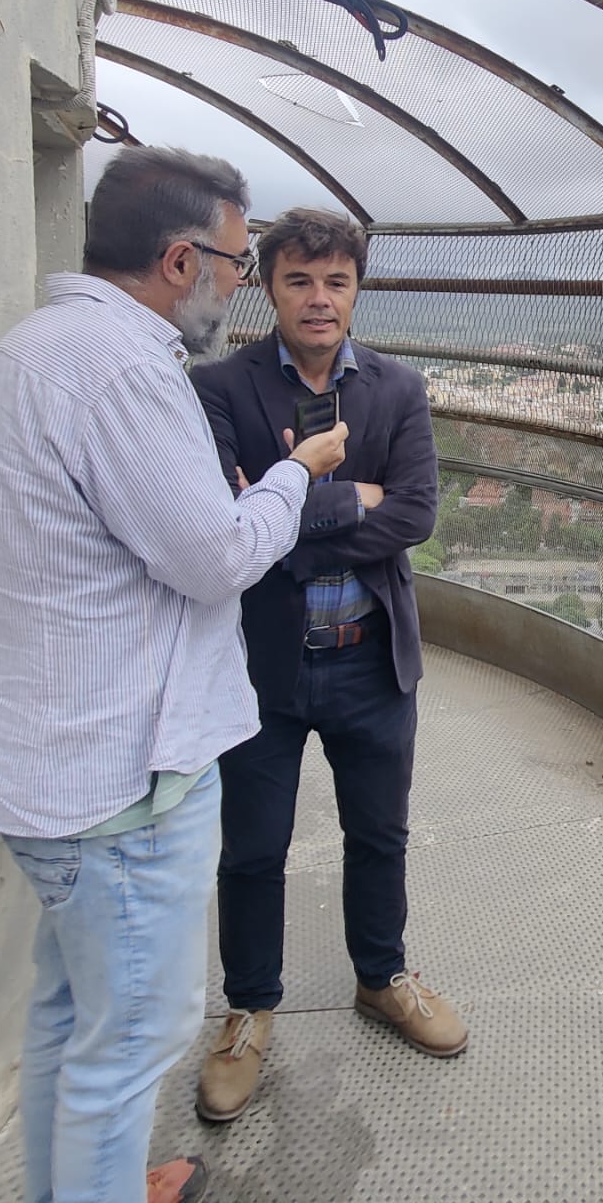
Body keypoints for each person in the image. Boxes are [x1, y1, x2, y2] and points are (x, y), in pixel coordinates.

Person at [0, 150, 348, 1203]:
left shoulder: (43, 346)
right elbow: (216, 556)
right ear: (180, 261)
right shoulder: (124, 371)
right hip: (120, 779)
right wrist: (292, 476)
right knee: (131, 1040)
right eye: (237, 261)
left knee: (72, 1015)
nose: (240, 283)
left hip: (53, 768)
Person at [189, 206, 461, 1126]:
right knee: (253, 849)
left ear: (356, 291)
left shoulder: (397, 389)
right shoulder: (218, 388)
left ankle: (382, 978)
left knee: (380, 835)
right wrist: (352, 498)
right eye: (299, 280)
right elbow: (223, 523)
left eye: (335, 281)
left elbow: (416, 513)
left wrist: (287, 514)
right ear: (269, 288)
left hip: (370, 659)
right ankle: (249, 1010)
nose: (318, 298)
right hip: (261, 668)